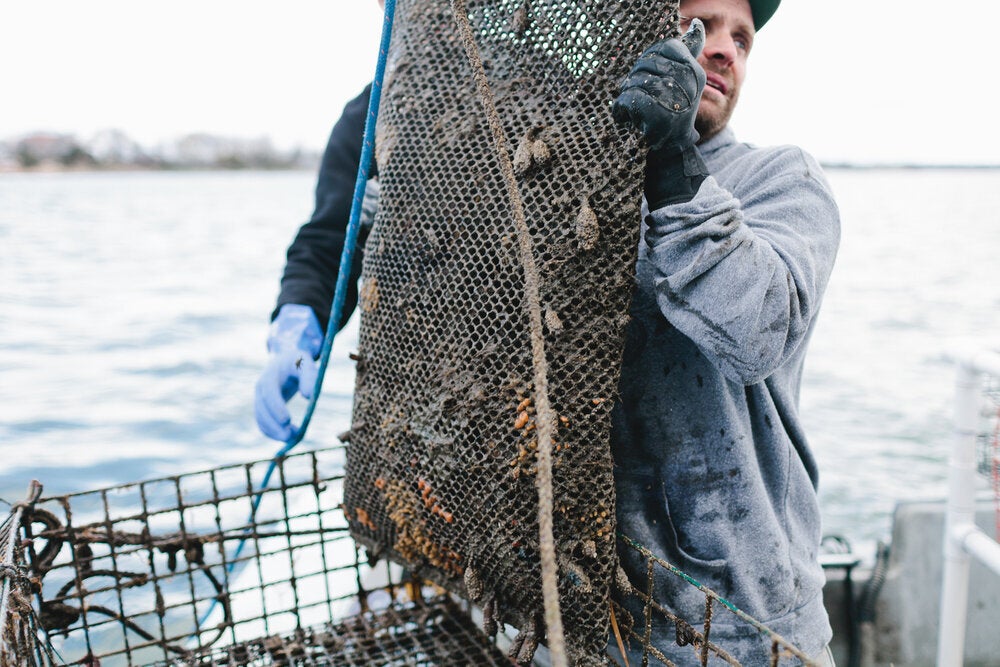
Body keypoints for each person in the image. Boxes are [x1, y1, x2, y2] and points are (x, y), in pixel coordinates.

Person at [255, 0, 840, 663]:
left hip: (734, 629)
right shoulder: (547, 176)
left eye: (743, 38)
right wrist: (301, 317)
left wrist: (672, 165)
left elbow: (760, 332)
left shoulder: (783, 181)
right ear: (626, 31)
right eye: (699, 24)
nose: (724, 49)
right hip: (565, 619)